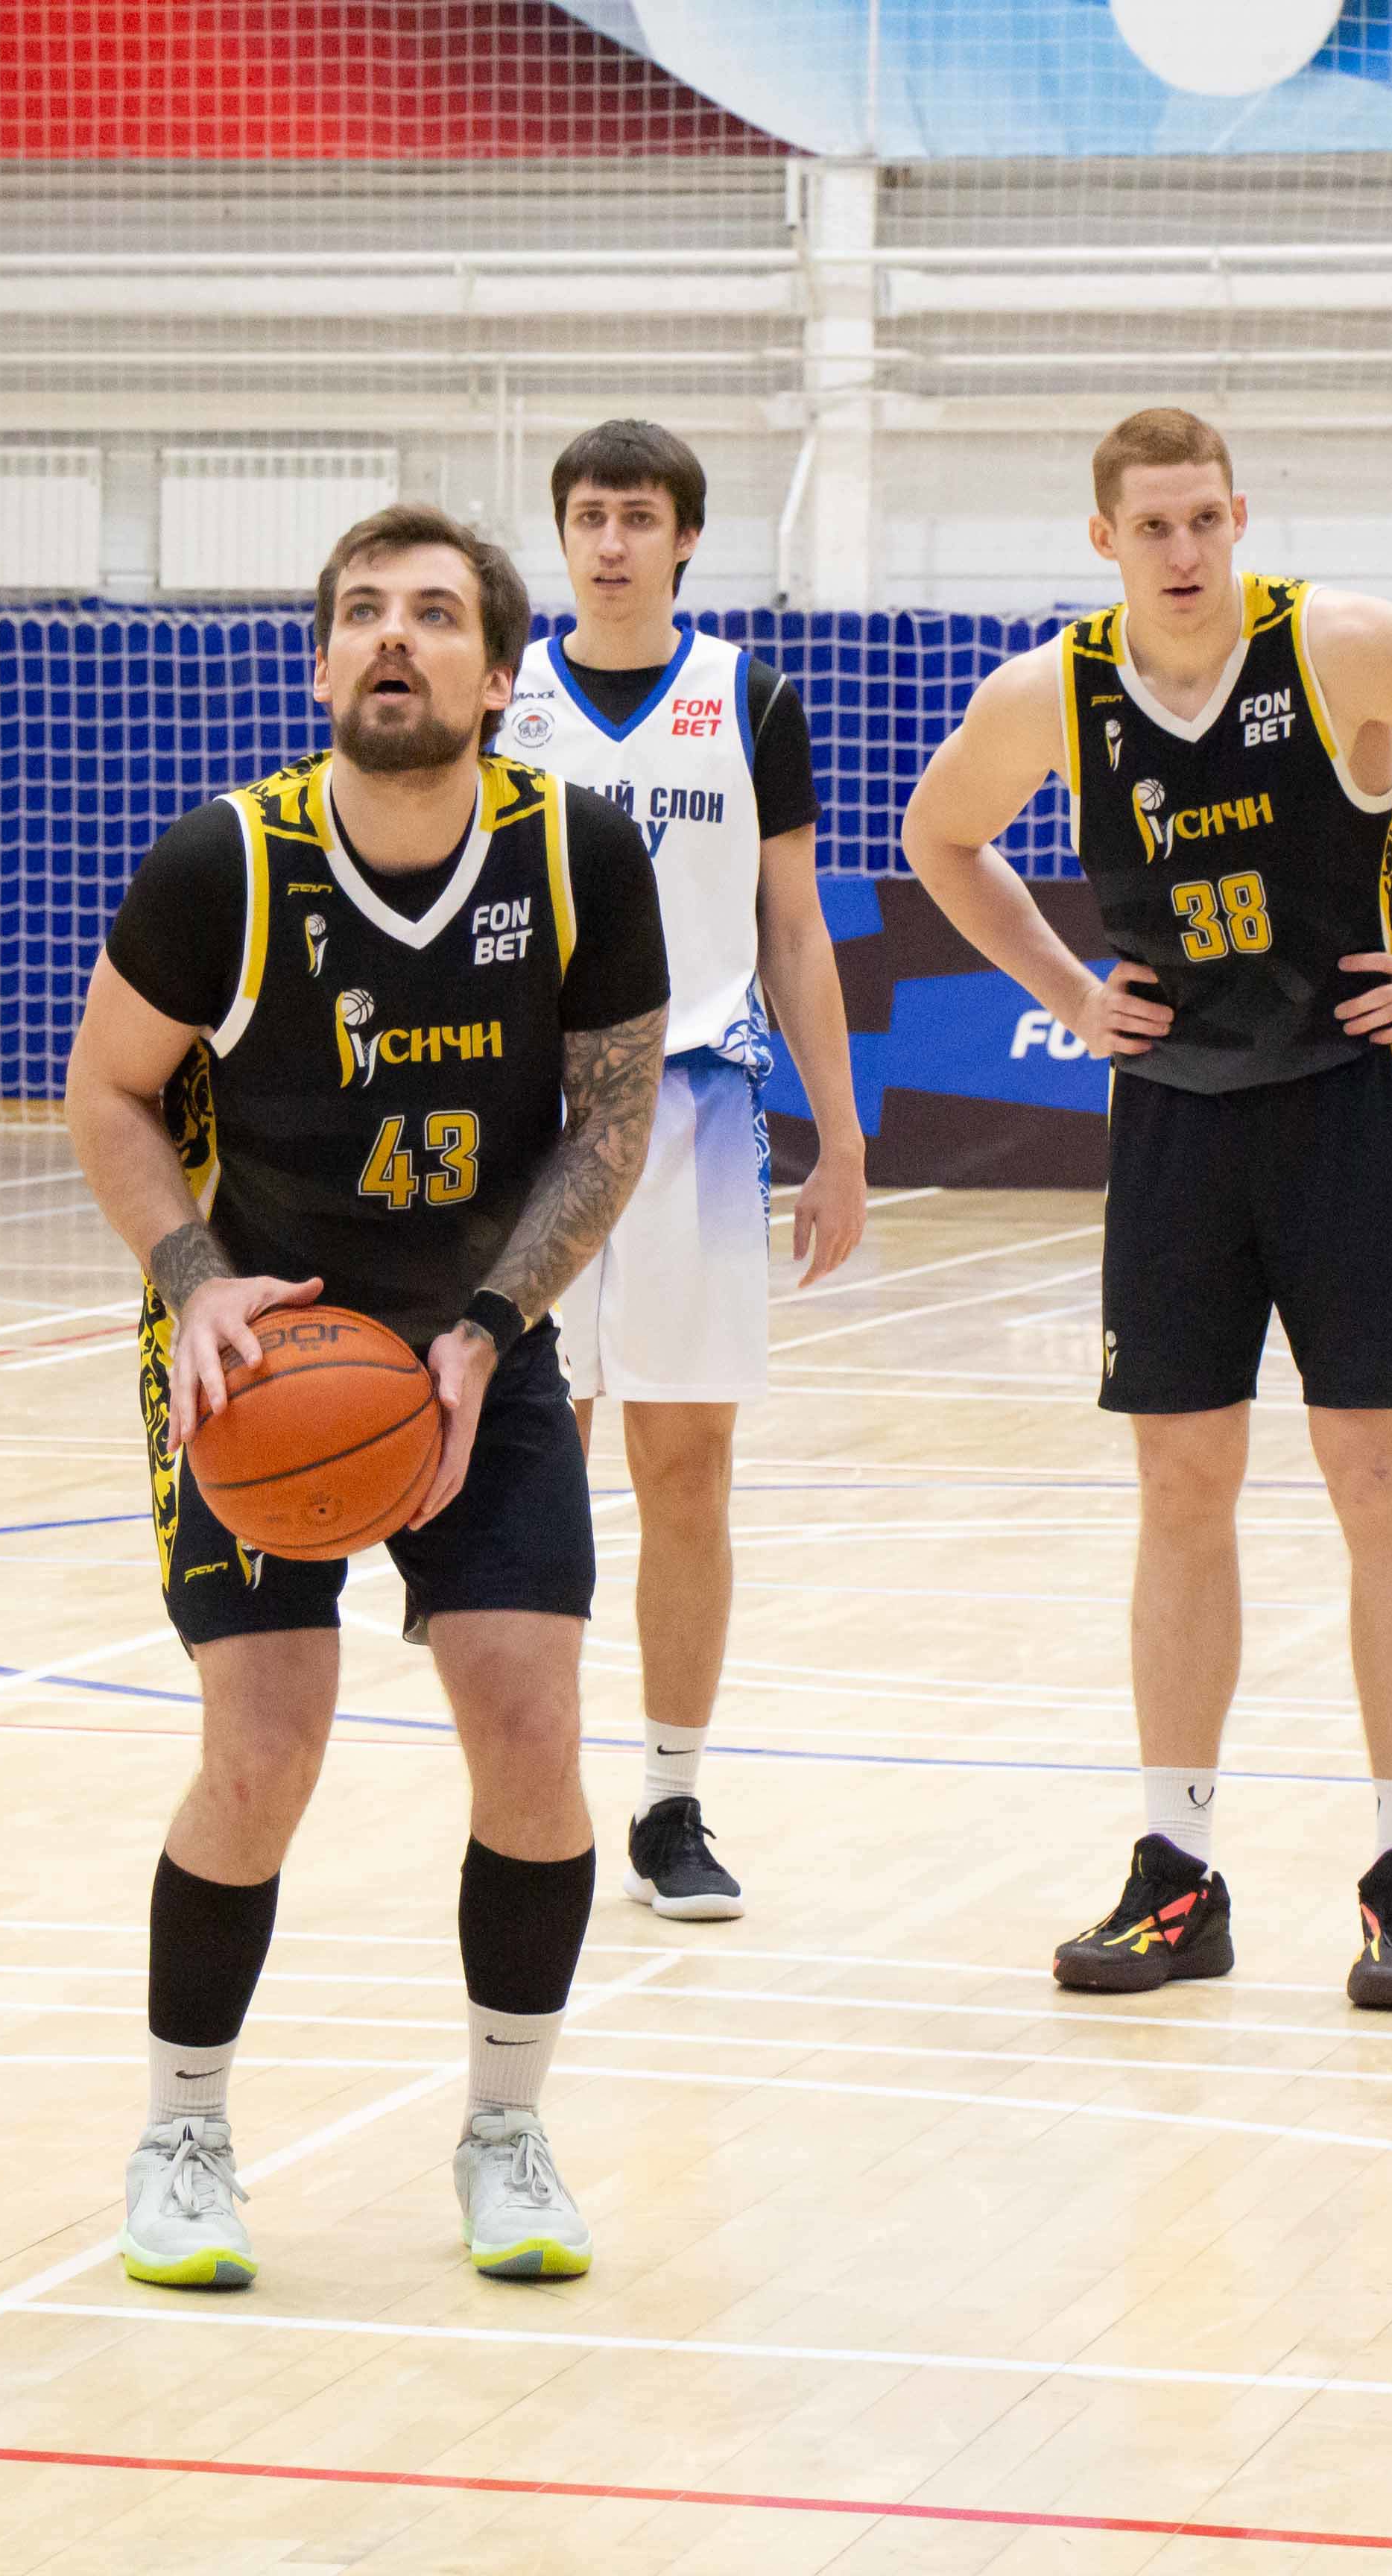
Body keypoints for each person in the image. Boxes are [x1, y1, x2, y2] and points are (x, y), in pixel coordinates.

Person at [896, 408, 1392, 2013]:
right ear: (1103, 540)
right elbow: (939, 836)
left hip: (1349, 1102)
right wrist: (1068, 993)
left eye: (1204, 519)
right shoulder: (1053, 693)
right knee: (1179, 1484)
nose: (1183, 551)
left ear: (1240, 516)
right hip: (1174, 1115)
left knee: (1377, 1475)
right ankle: (1176, 1873)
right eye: (1151, 526)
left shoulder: (1340, 647)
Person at [66, 502, 667, 2291]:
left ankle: (505, 2130)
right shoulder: (223, 864)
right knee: (262, 1746)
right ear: (321, 660)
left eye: (433, 614)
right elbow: (108, 1092)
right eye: (360, 613)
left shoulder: (579, 856)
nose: (391, 636)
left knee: (532, 1728)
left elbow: (610, 1124)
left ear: (499, 673)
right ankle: (182, 2133)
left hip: (479, 1335)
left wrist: (485, 1332)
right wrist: (192, 1283)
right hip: (261, 1356)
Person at [511, 419, 864, 1925]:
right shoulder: (501, 696)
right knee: (532, 1467)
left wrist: (841, 1137)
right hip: (525, 1128)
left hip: (699, 1114)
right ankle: (529, 1791)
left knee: (685, 1470)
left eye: (637, 517)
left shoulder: (751, 697)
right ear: (560, 535)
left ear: (685, 539)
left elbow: (792, 927)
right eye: (588, 516)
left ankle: (669, 1803)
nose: (611, 542)